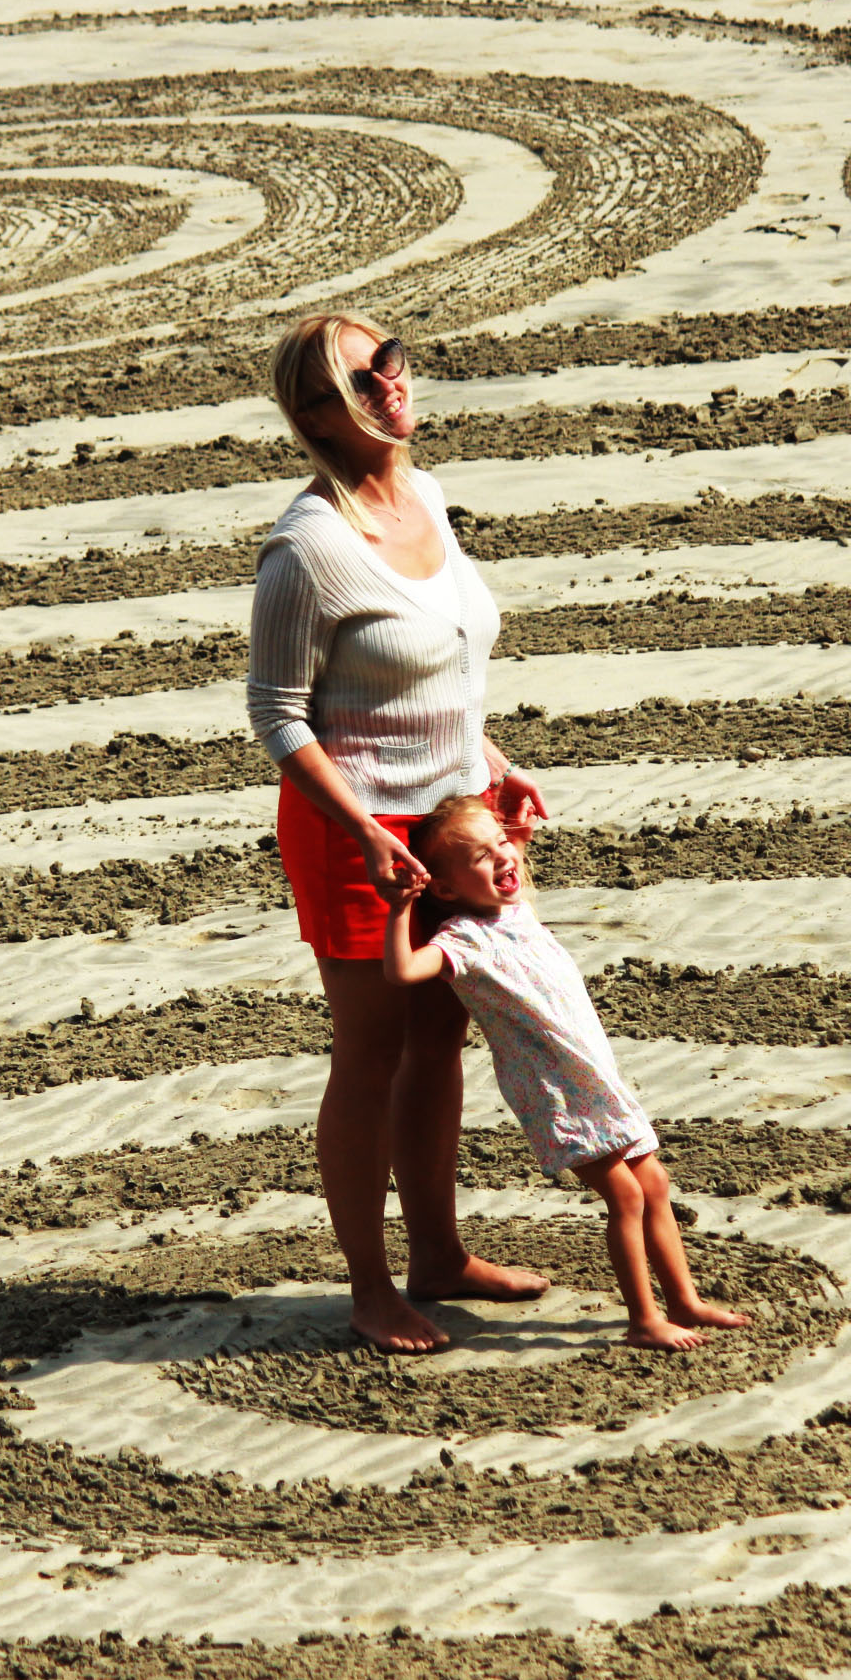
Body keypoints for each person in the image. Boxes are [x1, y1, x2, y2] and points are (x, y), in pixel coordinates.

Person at [248, 310, 550, 1354]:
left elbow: (444, 667)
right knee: (371, 1052)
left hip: (451, 815)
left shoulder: (426, 496)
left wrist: (492, 763)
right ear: (314, 417)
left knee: (440, 1038)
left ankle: (438, 1253)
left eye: (390, 361)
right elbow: (278, 716)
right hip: (359, 829)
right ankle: (372, 1285)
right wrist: (369, 834)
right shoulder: (307, 549)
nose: (390, 383)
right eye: (359, 379)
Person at [383, 795, 752, 1351]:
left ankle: (684, 1301)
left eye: (501, 844)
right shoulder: (463, 939)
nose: (502, 857)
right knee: (625, 1196)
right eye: (481, 857)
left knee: (654, 1183)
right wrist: (400, 908)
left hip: (595, 1076)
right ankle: (644, 1319)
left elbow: (512, 851)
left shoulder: (514, 909)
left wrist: (514, 828)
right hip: (555, 1090)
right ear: (446, 889)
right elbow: (403, 970)